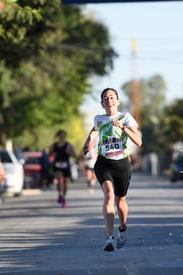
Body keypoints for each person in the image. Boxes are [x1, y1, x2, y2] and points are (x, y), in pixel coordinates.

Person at [82, 87, 142, 252]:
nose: (109, 100)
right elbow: (94, 130)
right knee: (108, 195)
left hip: (121, 164)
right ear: (102, 103)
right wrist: (87, 143)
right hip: (103, 163)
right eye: (105, 98)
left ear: (117, 101)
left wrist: (123, 128)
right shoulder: (99, 119)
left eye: (111, 97)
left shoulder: (125, 117)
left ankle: (122, 228)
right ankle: (109, 238)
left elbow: (138, 141)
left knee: (120, 201)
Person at [48, 129, 76, 208]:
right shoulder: (54, 145)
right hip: (57, 166)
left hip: (66, 166)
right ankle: (59, 194)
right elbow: (49, 154)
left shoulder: (68, 145)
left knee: (65, 184)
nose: (61, 137)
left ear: (65, 136)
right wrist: (52, 154)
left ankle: (63, 198)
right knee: (59, 180)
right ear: (58, 136)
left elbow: (74, 155)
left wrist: (69, 152)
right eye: (60, 136)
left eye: (63, 136)